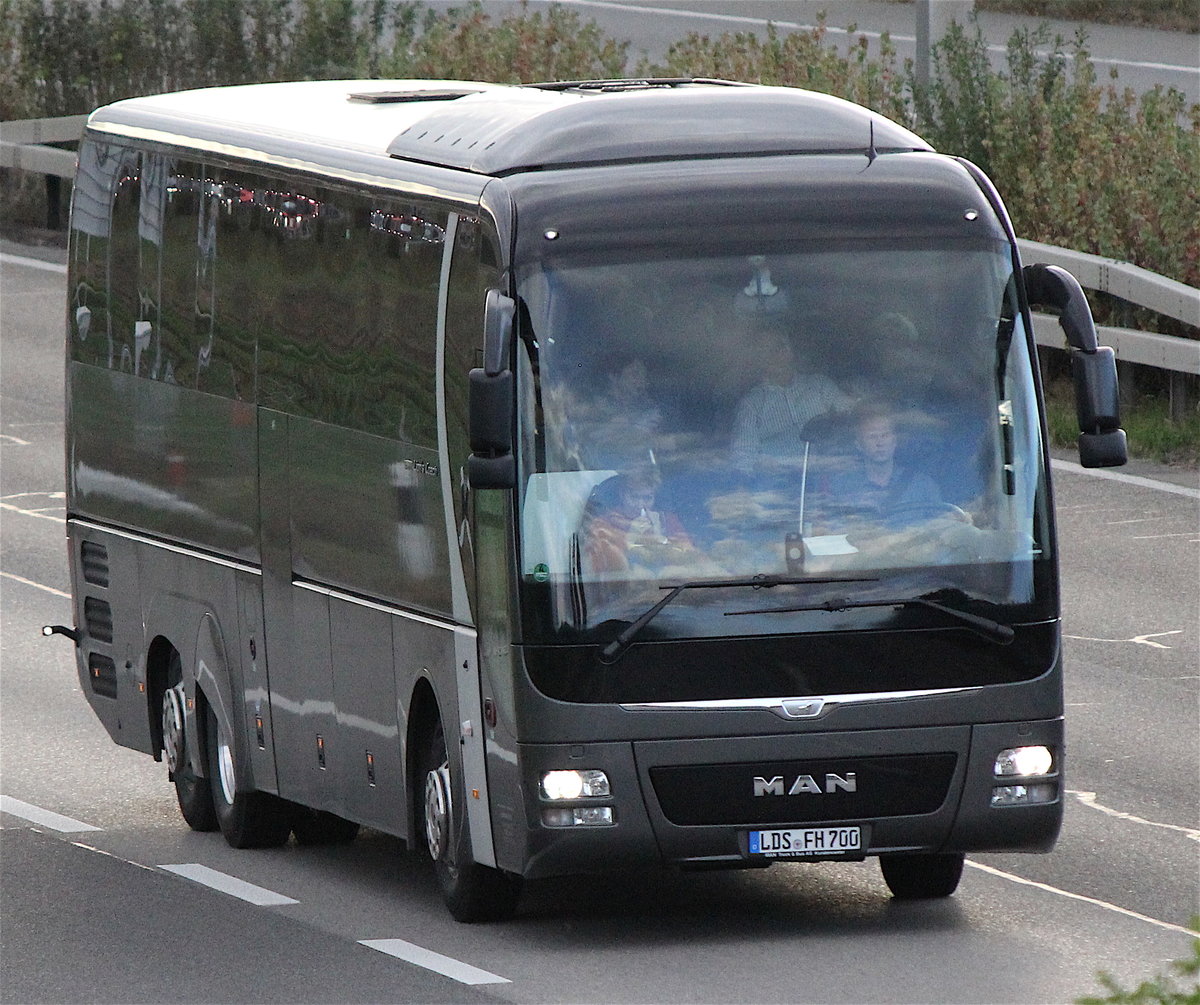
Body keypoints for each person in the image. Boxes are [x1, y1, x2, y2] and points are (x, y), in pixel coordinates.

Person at [730, 328, 852, 472]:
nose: (775, 355)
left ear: (791, 350)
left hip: (830, 475)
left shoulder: (820, 385)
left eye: (779, 347)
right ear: (757, 359)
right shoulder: (752, 404)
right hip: (777, 484)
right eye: (766, 350)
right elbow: (743, 458)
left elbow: (853, 419)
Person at [824, 404, 947, 528]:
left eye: (885, 435)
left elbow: (940, 531)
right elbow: (833, 533)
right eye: (872, 436)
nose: (880, 443)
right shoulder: (841, 487)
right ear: (859, 445)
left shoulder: (923, 485)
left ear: (895, 441)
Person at [580, 469, 695, 575]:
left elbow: (690, 552)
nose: (640, 505)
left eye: (647, 498)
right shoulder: (602, 524)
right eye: (634, 497)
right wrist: (630, 537)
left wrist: (662, 539)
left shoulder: (667, 519)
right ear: (622, 495)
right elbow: (599, 565)